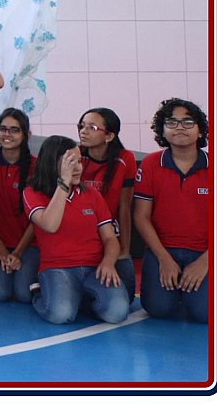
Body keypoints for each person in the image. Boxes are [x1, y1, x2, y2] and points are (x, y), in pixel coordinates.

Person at [24, 135, 129, 325]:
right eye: (71, 162)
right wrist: (63, 183)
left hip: (94, 268)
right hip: (57, 268)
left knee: (117, 312)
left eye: (80, 161)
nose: (78, 168)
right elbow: (50, 225)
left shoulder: (92, 194)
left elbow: (110, 239)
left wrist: (108, 263)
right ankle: (39, 292)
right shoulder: (32, 193)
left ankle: (80, 299)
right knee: (60, 314)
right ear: (52, 163)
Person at [133, 97, 210, 323]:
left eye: (188, 122)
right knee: (158, 309)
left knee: (204, 313)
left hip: (206, 252)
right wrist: (164, 259)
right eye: (172, 122)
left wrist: (206, 262)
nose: (179, 127)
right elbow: (141, 217)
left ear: (199, 130)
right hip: (162, 249)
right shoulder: (150, 164)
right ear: (163, 130)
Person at [77, 106, 138, 293]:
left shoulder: (125, 159)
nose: (83, 131)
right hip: (81, 236)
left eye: (92, 128)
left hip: (111, 236)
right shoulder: (75, 156)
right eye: (82, 126)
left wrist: (124, 250)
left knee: (126, 295)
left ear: (109, 136)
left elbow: (125, 207)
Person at [0, 107, 38, 304]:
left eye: (15, 130)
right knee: (0, 294)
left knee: (23, 294)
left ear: (26, 135)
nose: (7, 134)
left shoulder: (36, 166)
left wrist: (18, 252)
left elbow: (39, 217)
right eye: (3, 129)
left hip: (28, 244)